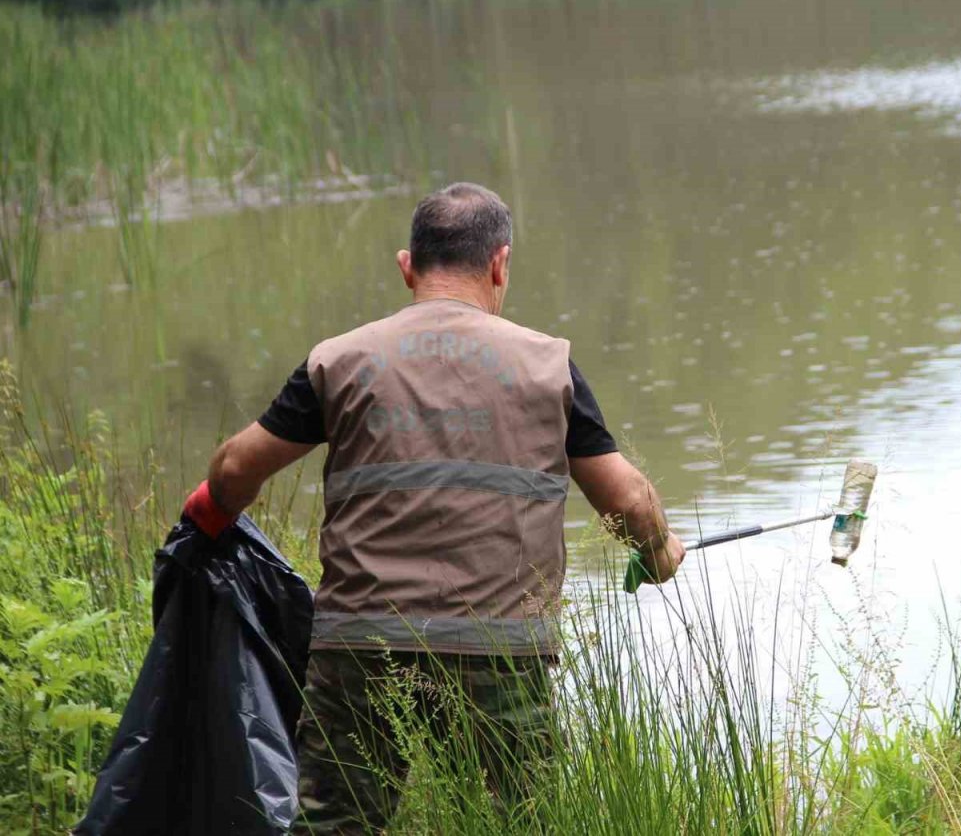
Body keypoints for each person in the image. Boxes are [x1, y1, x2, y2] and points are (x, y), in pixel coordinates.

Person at [180, 182, 686, 833]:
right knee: (518, 819)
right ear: (500, 263)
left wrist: (207, 519)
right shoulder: (546, 364)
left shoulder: (340, 359)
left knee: (338, 822)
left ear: (407, 266)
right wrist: (659, 551)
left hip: (363, 642)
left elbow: (234, 468)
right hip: (500, 650)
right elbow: (628, 497)